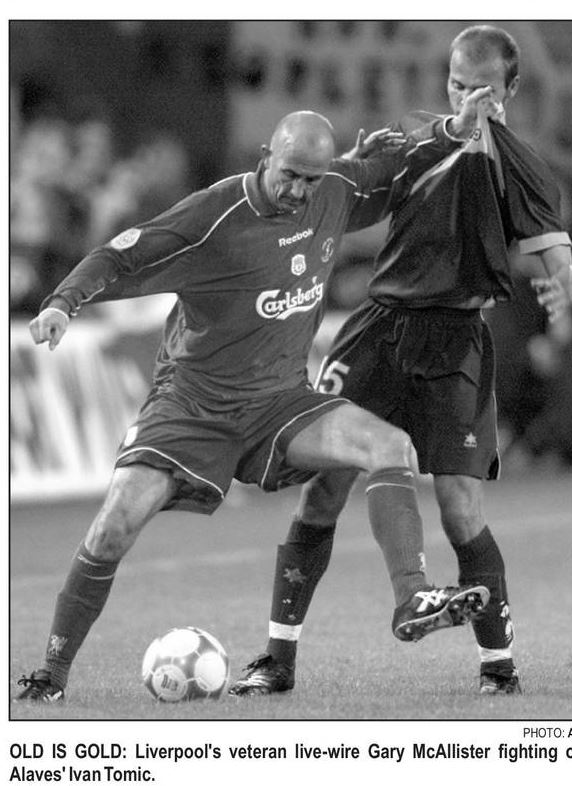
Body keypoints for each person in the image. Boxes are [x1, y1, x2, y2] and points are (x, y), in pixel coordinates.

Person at [16, 102, 490, 702]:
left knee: (390, 445)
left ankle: (412, 597)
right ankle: (51, 677)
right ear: (266, 156)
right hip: (192, 406)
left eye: (311, 179)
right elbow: (121, 253)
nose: (299, 190)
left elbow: (394, 166)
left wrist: (453, 128)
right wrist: (63, 302)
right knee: (112, 528)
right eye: (289, 174)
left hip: (279, 403)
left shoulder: (332, 187)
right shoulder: (214, 215)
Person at [229, 26, 572, 698]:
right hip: (379, 331)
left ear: (510, 89)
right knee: (324, 487)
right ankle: (277, 659)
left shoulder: (527, 170)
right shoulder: (417, 135)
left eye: (481, 89)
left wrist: (566, 283)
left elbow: (559, 258)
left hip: (456, 343)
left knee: (459, 506)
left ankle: (499, 665)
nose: (467, 99)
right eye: (456, 85)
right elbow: (353, 193)